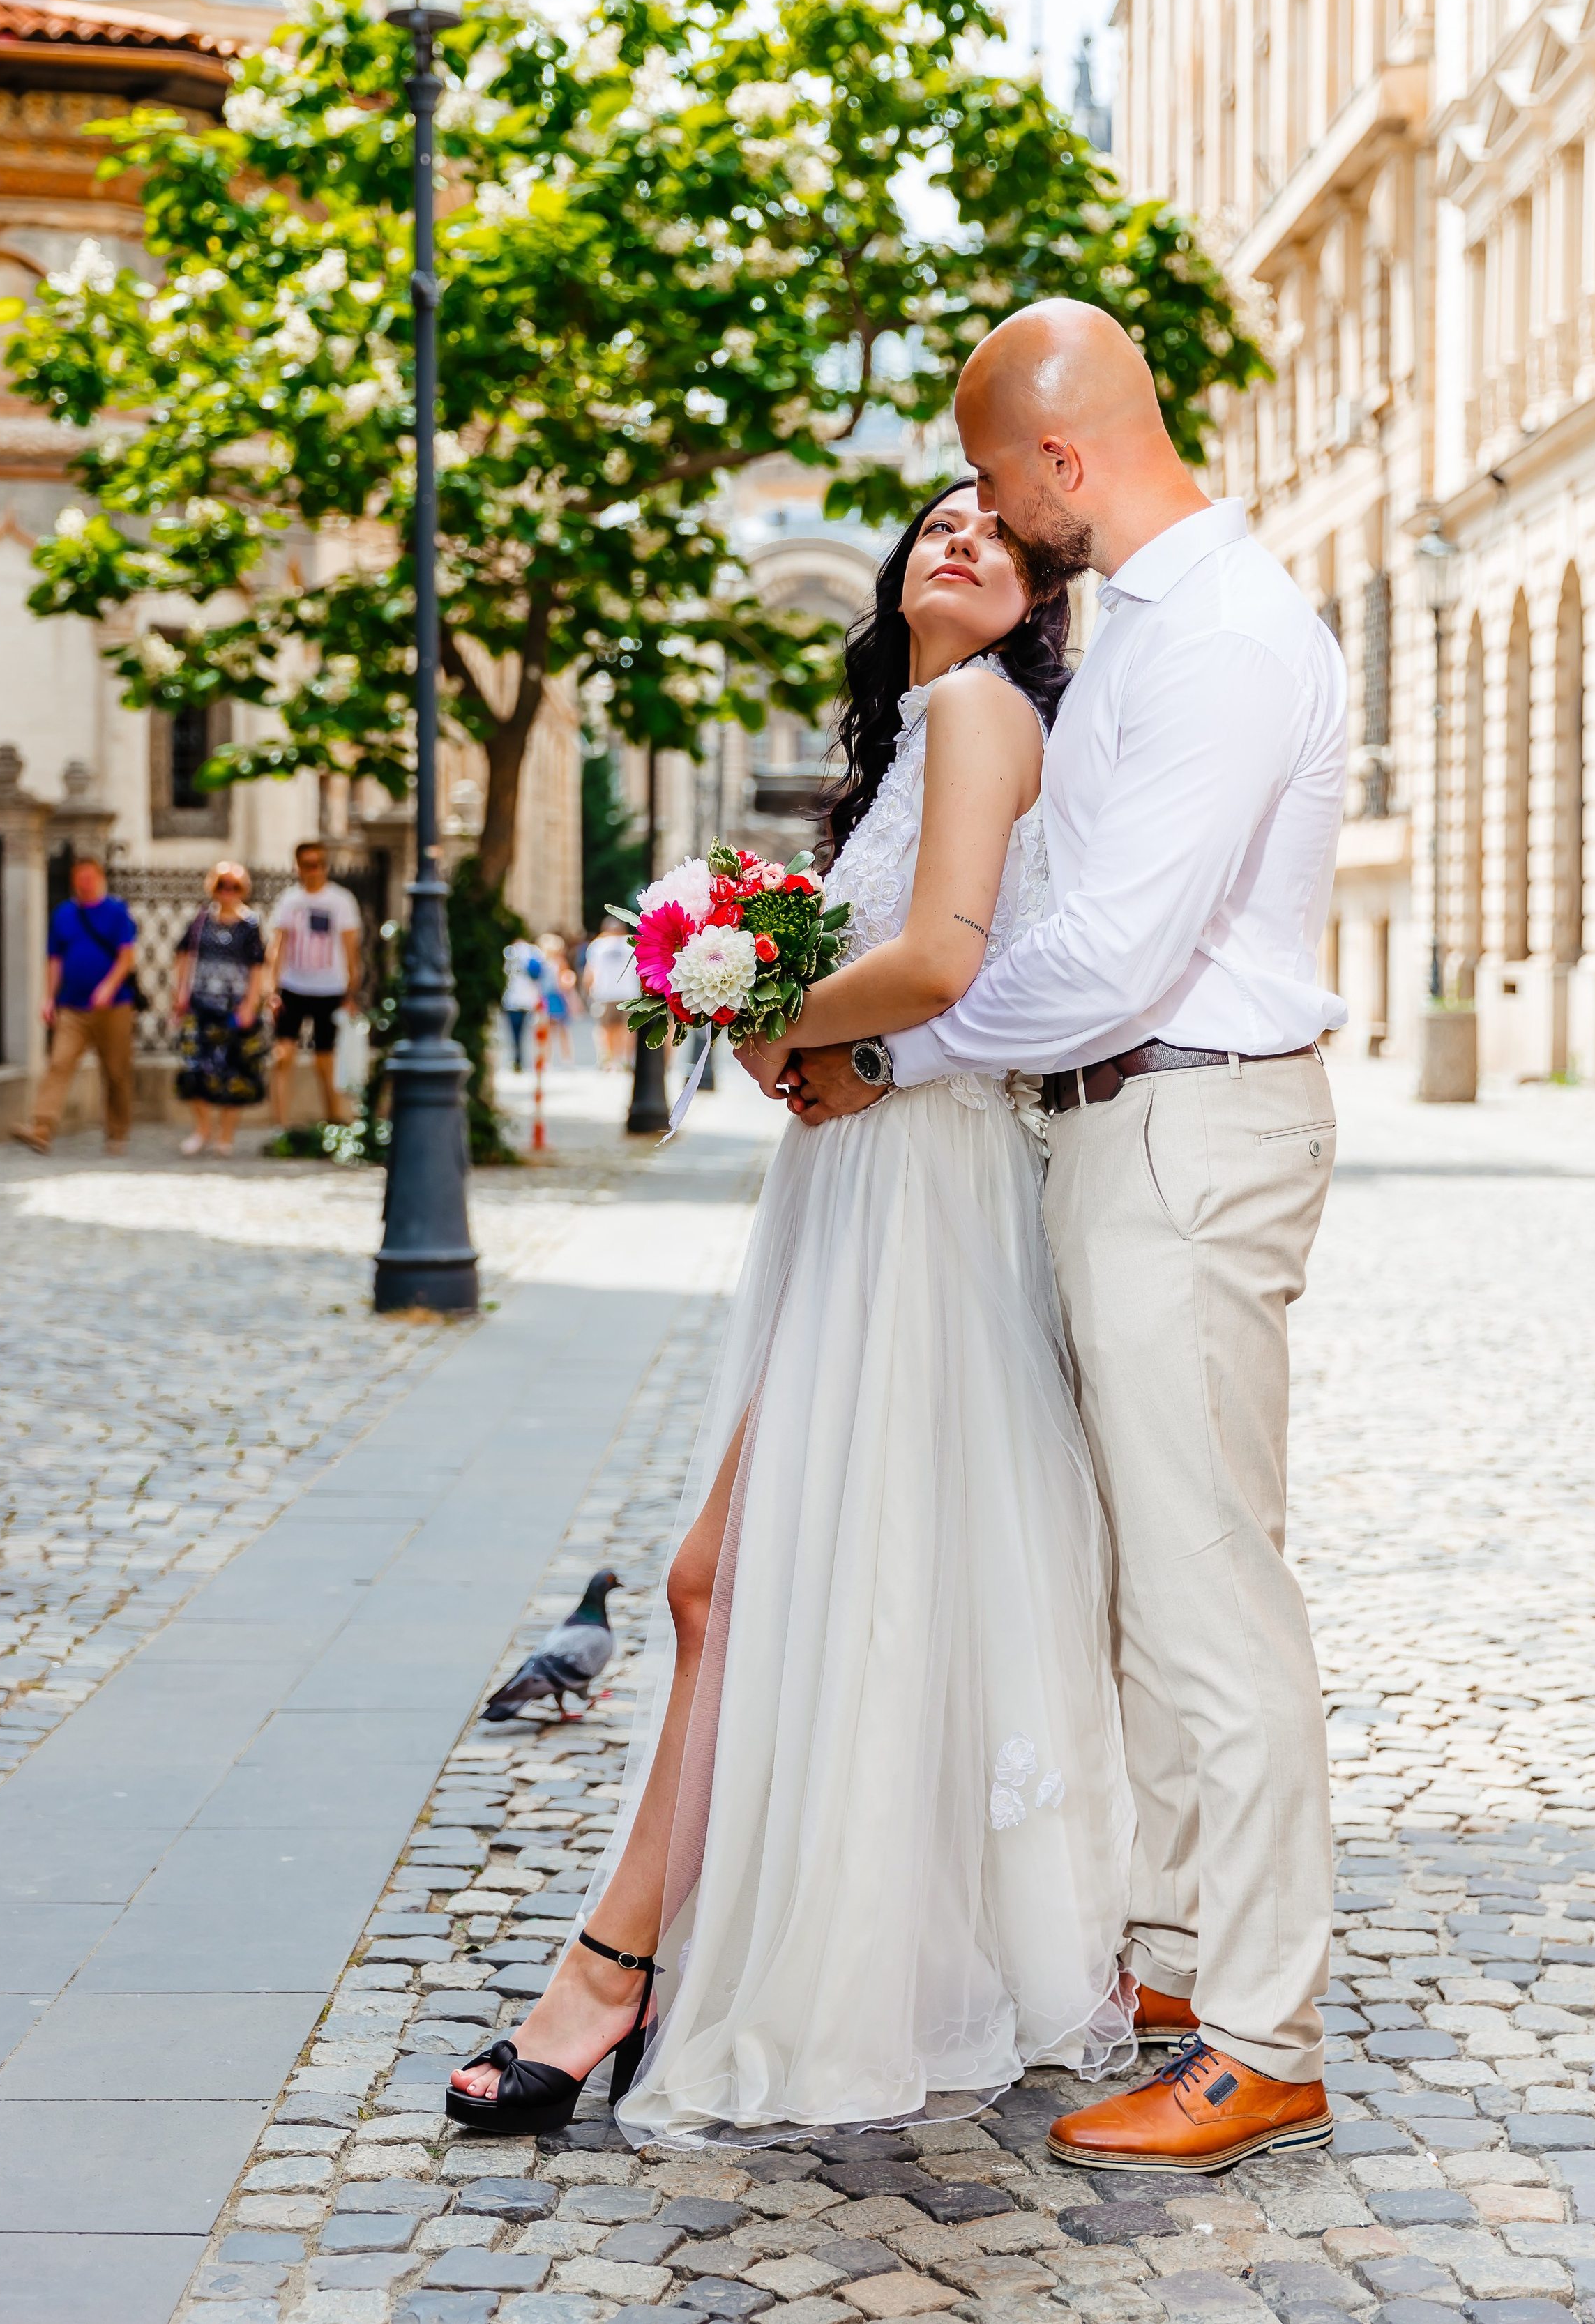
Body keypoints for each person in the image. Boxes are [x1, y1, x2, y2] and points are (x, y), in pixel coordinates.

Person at [448, 478, 1137, 2145]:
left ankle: (617, 1966)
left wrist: (765, 1019)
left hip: (914, 1189)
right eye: (935, 520)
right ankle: (667, 1951)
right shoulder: (916, 735)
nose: (959, 537)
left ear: (1036, 601)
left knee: (722, 1579)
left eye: (998, 531)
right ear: (894, 569)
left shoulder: (978, 710)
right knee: (764, 1583)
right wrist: (773, 1019)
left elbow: (941, 963)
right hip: (864, 1182)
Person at [771, 300, 1350, 2173]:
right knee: (1141, 1580)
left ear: (1068, 462)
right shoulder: (1153, 633)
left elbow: (1106, 956)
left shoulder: (1229, 640)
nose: (1003, 522)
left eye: (1011, 484)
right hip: (1119, 1124)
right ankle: (1185, 1955)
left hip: (1190, 1119)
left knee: (1208, 1589)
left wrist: (883, 1043)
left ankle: (1262, 2030)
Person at [10, 855, 139, 1156]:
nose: (84, 883)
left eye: (89, 877)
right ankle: (42, 1127)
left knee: (117, 1072)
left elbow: (126, 957)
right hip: (73, 1006)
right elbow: (54, 959)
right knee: (59, 1064)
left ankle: (117, 1132)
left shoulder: (117, 911)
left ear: (99, 878)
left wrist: (108, 986)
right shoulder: (64, 914)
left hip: (114, 1006)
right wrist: (49, 997)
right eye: (79, 878)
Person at [264, 842, 362, 1129]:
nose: (313, 871)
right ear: (298, 867)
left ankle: (334, 1119)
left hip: (330, 988)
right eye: (307, 864)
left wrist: (351, 991)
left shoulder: (341, 901)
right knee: (283, 1055)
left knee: (325, 1059)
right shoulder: (288, 900)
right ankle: (280, 1124)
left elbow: (350, 949)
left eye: (318, 864)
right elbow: (278, 946)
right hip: (293, 986)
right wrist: (272, 990)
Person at [173, 862, 268, 1155]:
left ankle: (225, 1136)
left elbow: (257, 967)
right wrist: (181, 992)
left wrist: (251, 1004)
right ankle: (203, 1129)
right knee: (195, 1070)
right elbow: (184, 955)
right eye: (222, 885)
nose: (227, 892)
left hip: (234, 1007)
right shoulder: (201, 920)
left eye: (234, 886)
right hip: (201, 1003)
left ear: (243, 890)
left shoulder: (250, 924)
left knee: (234, 1072)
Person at [581, 916, 637, 1070]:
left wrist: (589, 992)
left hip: (604, 993)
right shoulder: (631, 944)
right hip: (628, 993)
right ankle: (625, 1060)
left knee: (605, 1029)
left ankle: (607, 1060)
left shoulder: (598, 945)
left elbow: (589, 973)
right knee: (627, 1029)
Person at [501, 935, 545, 1070]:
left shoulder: (512, 953)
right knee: (527, 1034)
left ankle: (519, 1059)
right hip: (526, 1001)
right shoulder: (532, 953)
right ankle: (524, 1060)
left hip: (515, 1001)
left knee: (517, 1034)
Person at [537, 932, 578, 1064]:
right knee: (558, 1031)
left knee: (553, 1031)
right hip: (553, 998)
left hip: (550, 998)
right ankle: (562, 1059)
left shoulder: (545, 963)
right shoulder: (554, 962)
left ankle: (552, 1059)